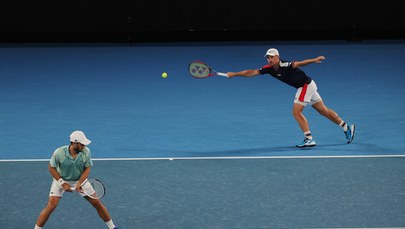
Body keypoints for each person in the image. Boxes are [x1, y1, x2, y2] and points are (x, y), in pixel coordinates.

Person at [226, 48, 355, 148]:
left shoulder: (285, 64)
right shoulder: (268, 69)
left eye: (271, 57)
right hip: (308, 85)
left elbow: (300, 63)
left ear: (277, 57)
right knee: (323, 111)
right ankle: (346, 127)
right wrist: (235, 74)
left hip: (305, 86)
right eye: (268, 58)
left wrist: (314, 60)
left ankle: (309, 139)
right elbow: (252, 72)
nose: (269, 60)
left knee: (296, 111)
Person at [34, 130, 118, 229]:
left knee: (97, 203)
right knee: (51, 206)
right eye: (82, 144)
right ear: (74, 143)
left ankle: (112, 227)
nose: (84, 146)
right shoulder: (59, 153)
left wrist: (80, 182)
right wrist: (63, 184)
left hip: (80, 180)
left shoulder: (86, 152)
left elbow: (87, 168)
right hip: (61, 180)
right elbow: (51, 168)